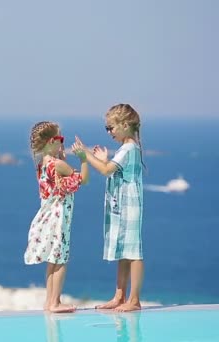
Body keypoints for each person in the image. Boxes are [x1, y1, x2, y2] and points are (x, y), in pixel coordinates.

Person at [73, 103, 145, 312]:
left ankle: (134, 299)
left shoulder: (129, 149)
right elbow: (113, 170)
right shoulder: (125, 149)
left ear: (124, 125)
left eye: (110, 127)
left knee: (133, 252)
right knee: (123, 251)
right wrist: (103, 159)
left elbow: (105, 170)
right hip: (122, 207)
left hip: (130, 207)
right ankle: (120, 296)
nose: (109, 132)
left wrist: (86, 154)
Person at [24, 121, 89, 313]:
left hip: (48, 215)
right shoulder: (58, 165)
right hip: (59, 217)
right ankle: (55, 302)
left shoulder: (42, 165)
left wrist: (60, 155)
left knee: (53, 259)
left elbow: (57, 185)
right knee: (61, 259)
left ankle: (50, 301)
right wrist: (84, 159)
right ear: (52, 141)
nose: (62, 143)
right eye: (61, 139)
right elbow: (83, 179)